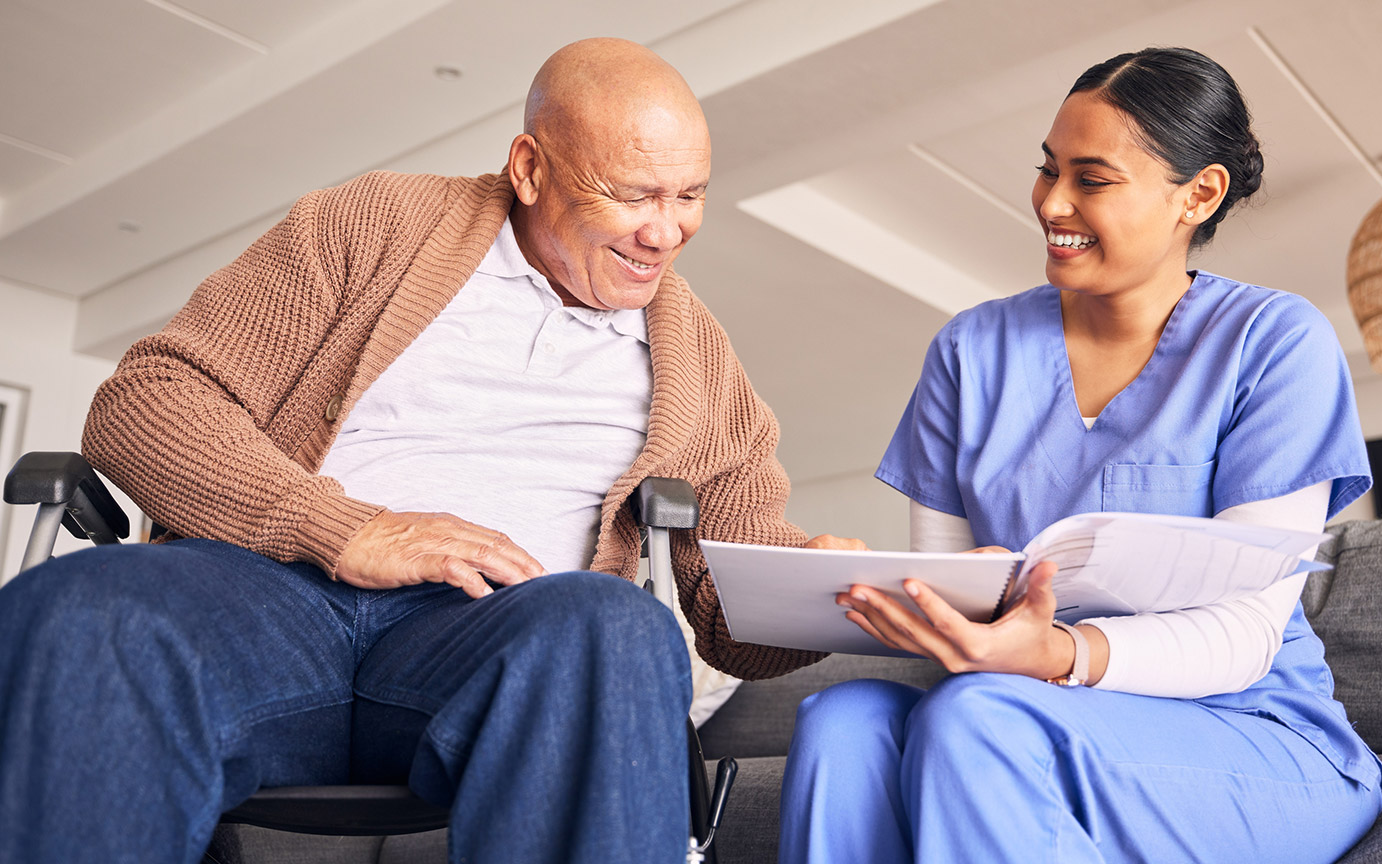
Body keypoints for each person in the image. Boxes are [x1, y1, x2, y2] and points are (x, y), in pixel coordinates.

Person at [0, 37, 848, 864]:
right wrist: (342, 529)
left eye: (690, 195)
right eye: (634, 195)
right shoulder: (371, 224)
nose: (667, 232)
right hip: (264, 603)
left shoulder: (699, 359)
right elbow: (146, 401)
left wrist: (828, 592)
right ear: (530, 168)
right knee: (82, 607)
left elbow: (725, 601)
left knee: (614, 626)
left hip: (499, 635)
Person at [778, 47, 1382, 864]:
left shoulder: (1274, 343)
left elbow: (1245, 635)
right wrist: (860, 592)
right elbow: (958, 601)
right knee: (841, 723)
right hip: (1019, 706)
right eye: (1047, 169)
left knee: (979, 717)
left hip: (1248, 731)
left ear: (1197, 194)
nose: (1052, 201)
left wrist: (1062, 655)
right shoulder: (969, 352)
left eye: (1092, 179)